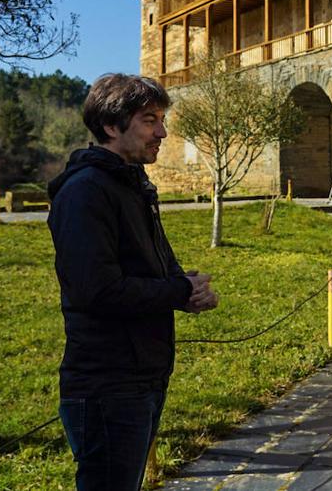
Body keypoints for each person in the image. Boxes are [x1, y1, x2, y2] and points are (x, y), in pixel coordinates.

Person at [48, 73, 218, 491]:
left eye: (161, 119)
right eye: (149, 120)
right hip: (108, 383)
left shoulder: (132, 183)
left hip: (142, 374)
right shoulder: (86, 191)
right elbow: (96, 290)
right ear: (111, 126)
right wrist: (177, 291)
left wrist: (186, 286)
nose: (162, 132)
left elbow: (144, 267)